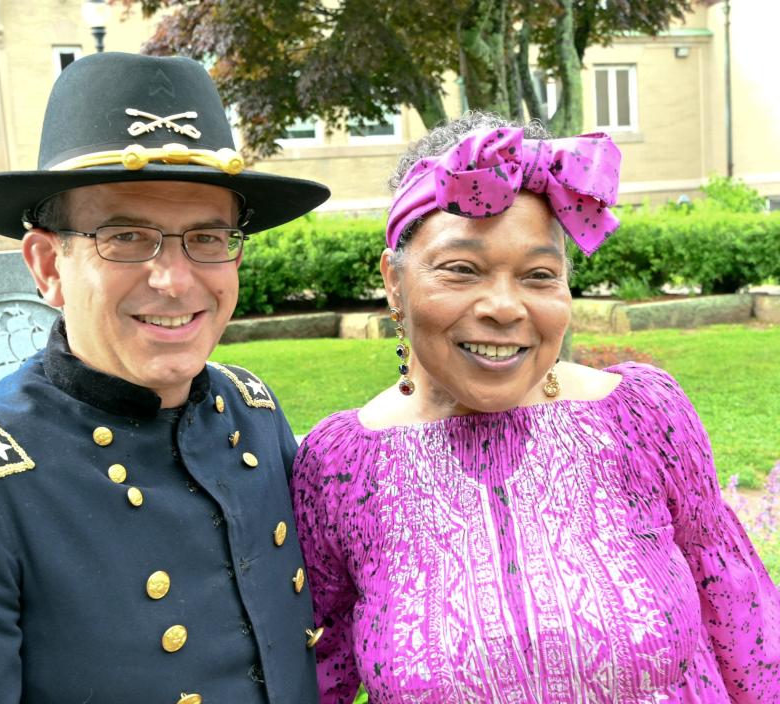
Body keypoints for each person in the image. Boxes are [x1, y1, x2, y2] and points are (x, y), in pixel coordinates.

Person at [0, 53, 330, 703]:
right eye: (127, 236)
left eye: (208, 239)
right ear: (48, 264)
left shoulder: (252, 415)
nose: (176, 279)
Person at [291, 112, 780, 703]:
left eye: (539, 274)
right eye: (461, 269)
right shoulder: (340, 465)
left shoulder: (644, 417)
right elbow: (320, 672)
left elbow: (746, 631)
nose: (504, 306)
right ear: (394, 282)